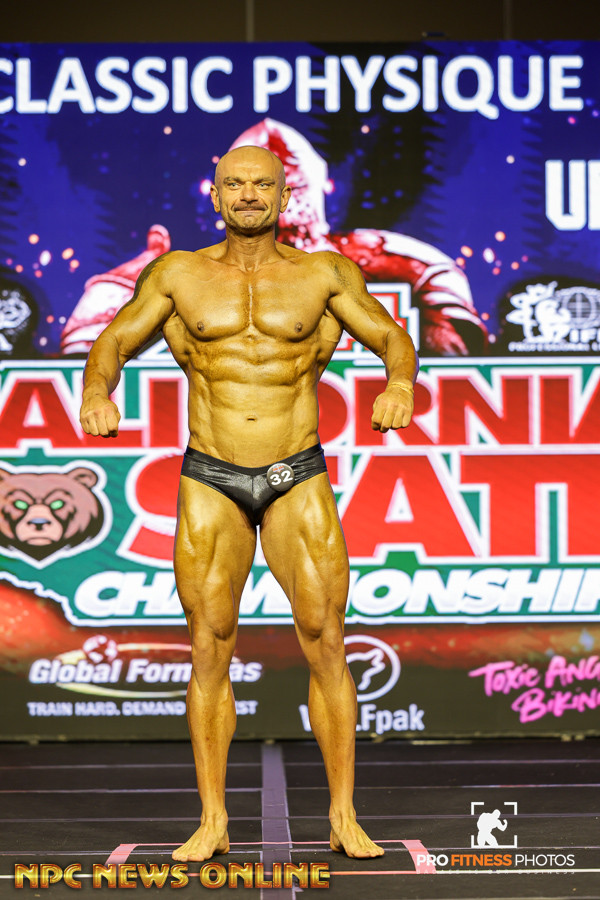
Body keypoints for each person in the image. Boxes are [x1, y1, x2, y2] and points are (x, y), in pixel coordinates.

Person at [79, 145, 418, 861]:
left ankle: (343, 815)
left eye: (262, 184)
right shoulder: (177, 274)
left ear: (284, 194)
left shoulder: (324, 274)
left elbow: (391, 336)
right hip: (212, 475)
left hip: (297, 471)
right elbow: (113, 340)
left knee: (325, 638)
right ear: (215, 195)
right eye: (234, 184)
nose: (249, 195)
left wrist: (398, 384)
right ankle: (212, 820)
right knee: (210, 643)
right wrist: (96, 391)